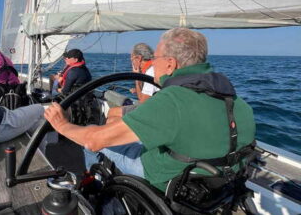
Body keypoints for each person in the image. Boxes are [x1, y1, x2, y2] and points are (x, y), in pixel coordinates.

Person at [44, 27, 256, 192]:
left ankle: (92, 185)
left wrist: (62, 124)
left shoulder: (172, 100)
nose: (153, 62)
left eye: (156, 58)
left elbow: (93, 140)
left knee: (94, 142)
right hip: (220, 182)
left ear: (171, 64)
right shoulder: (236, 100)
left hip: (171, 179)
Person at [107, 43, 159, 122]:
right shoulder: (153, 68)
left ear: (138, 58)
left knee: (112, 113)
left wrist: (136, 76)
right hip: (155, 106)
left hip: (153, 111)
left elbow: (142, 102)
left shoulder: (150, 72)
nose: (131, 62)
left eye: (132, 59)